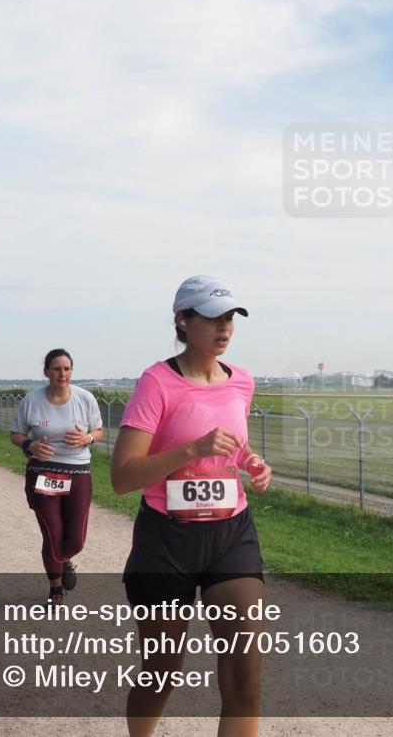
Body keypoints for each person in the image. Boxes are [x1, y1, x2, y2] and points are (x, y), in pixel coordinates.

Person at [111, 275, 272, 737]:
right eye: (212, 318)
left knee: (245, 675)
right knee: (162, 670)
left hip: (231, 535)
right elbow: (123, 477)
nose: (224, 328)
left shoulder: (241, 381)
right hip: (167, 539)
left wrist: (253, 462)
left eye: (229, 318)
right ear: (183, 321)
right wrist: (190, 450)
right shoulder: (157, 383)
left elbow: (233, 446)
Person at [10, 349, 103, 604]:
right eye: (56, 368)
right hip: (43, 472)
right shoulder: (32, 400)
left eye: (66, 368)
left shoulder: (85, 398)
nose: (62, 373)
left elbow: (99, 430)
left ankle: (64, 560)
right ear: (46, 371)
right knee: (52, 533)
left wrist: (88, 438)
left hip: (78, 472)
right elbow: (16, 433)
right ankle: (55, 588)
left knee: (75, 540)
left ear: (71, 371)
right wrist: (30, 445)